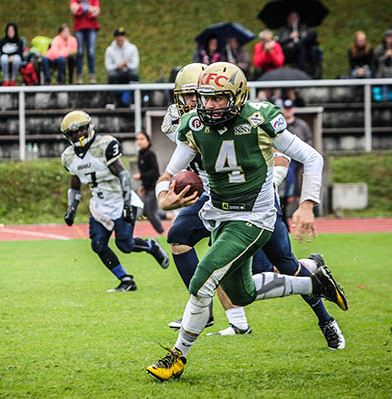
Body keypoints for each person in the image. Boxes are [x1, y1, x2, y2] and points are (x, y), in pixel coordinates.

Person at [146, 62, 348, 380]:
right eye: (203, 97)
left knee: (205, 278)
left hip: (255, 214)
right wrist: (163, 197)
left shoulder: (259, 118)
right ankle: (314, 280)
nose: (209, 106)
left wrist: (307, 203)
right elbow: (168, 174)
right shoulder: (192, 123)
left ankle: (177, 356)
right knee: (241, 293)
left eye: (219, 98)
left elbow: (311, 156)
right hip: (218, 212)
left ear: (238, 97)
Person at [209, 152, 345, 350]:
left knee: (287, 266)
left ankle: (326, 322)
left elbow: (283, 157)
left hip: (263, 209)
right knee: (257, 270)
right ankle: (312, 265)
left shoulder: (252, 124)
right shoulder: (199, 134)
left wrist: (268, 187)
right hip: (229, 212)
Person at [60, 110, 169, 292]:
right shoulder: (69, 157)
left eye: (80, 130)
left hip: (120, 200)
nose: (78, 135)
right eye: (73, 133)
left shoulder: (104, 145)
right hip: (100, 204)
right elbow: (75, 186)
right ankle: (126, 279)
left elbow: (123, 175)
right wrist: (72, 207)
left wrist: (127, 202)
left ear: (88, 128)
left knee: (124, 245)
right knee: (98, 245)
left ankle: (151, 246)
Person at [160, 63, 217, 329]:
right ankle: (202, 312)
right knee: (178, 236)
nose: (192, 101)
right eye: (187, 95)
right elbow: (175, 163)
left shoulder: (237, 117)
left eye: (197, 94)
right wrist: (165, 193)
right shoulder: (176, 121)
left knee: (272, 268)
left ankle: (312, 275)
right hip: (207, 192)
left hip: (243, 195)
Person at [133, 132, 164, 234]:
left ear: (148, 141)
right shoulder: (140, 155)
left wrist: (141, 176)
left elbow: (155, 172)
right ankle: (166, 216)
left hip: (153, 187)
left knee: (150, 214)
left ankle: (162, 232)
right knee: (145, 212)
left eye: (142, 139)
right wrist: (142, 185)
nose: (139, 141)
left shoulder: (150, 154)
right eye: (138, 139)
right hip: (147, 187)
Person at [105, 27, 139, 106]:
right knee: (112, 75)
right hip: (116, 72)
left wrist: (126, 64)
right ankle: (111, 101)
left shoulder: (132, 48)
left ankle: (133, 101)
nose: (120, 38)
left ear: (124, 37)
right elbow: (108, 67)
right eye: (118, 36)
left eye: (122, 36)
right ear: (115, 38)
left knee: (134, 75)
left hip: (128, 71)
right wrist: (117, 66)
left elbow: (135, 64)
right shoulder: (109, 50)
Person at [70, 0, 100, 84]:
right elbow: (73, 10)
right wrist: (89, 8)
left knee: (91, 52)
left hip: (91, 27)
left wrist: (80, 8)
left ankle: (92, 75)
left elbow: (96, 12)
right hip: (78, 28)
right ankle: (79, 76)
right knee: (79, 52)